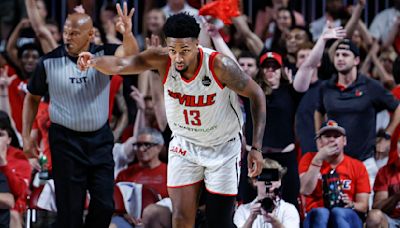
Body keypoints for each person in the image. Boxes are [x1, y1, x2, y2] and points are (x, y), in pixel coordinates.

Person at [78, 12, 266, 228]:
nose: (178, 57)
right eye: (173, 50)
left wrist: (257, 147)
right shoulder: (161, 58)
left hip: (222, 148)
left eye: (184, 51)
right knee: (180, 219)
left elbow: (257, 95)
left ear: (197, 45)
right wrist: (94, 61)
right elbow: (122, 64)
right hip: (185, 144)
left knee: (219, 223)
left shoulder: (219, 65)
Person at [22, 3, 139, 227]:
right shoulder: (48, 62)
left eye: (75, 33)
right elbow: (32, 98)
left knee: (105, 204)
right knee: (70, 212)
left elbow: (131, 57)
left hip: (100, 141)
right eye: (66, 32)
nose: (68, 37)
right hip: (65, 142)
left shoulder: (104, 54)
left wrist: (128, 34)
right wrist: (27, 137)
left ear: (91, 34)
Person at [315, 39, 400, 188]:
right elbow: (318, 111)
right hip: (334, 161)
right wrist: (318, 136)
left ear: (356, 60)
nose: (340, 58)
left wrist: (387, 135)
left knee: (366, 209)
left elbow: (398, 107)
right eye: (337, 54)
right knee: (335, 209)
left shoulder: (370, 85)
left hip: (364, 162)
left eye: (345, 54)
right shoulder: (326, 87)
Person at [299, 120, 370, 228]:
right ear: (319, 142)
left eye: (336, 136)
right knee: (322, 213)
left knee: (338, 212)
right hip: (317, 215)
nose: (332, 139)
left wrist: (352, 204)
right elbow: (305, 190)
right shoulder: (309, 159)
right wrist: (318, 160)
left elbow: (364, 206)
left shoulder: (357, 166)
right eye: (327, 136)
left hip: (346, 215)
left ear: (344, 141)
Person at [111, 127, 169, 228]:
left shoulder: (170, 173)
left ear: (159, 147)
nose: (141, 149)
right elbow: (114, 202)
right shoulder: (124, 174)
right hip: (127, 221)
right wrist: (124, 215)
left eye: (147, 144)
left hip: (157, 220)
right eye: (138, 145)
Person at [233, 158, 299, 228]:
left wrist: (275, 221)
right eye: (265, 177)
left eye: (273, 178)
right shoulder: (243, 211)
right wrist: (250, 219)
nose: (269, 182)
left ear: (279, 181)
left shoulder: (289, 210)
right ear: (254, 181)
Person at [365, 149, 400, 228]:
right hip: (391, 219)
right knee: (374, 216)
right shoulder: (386, 171)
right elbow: (377, 207)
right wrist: (397, 196)